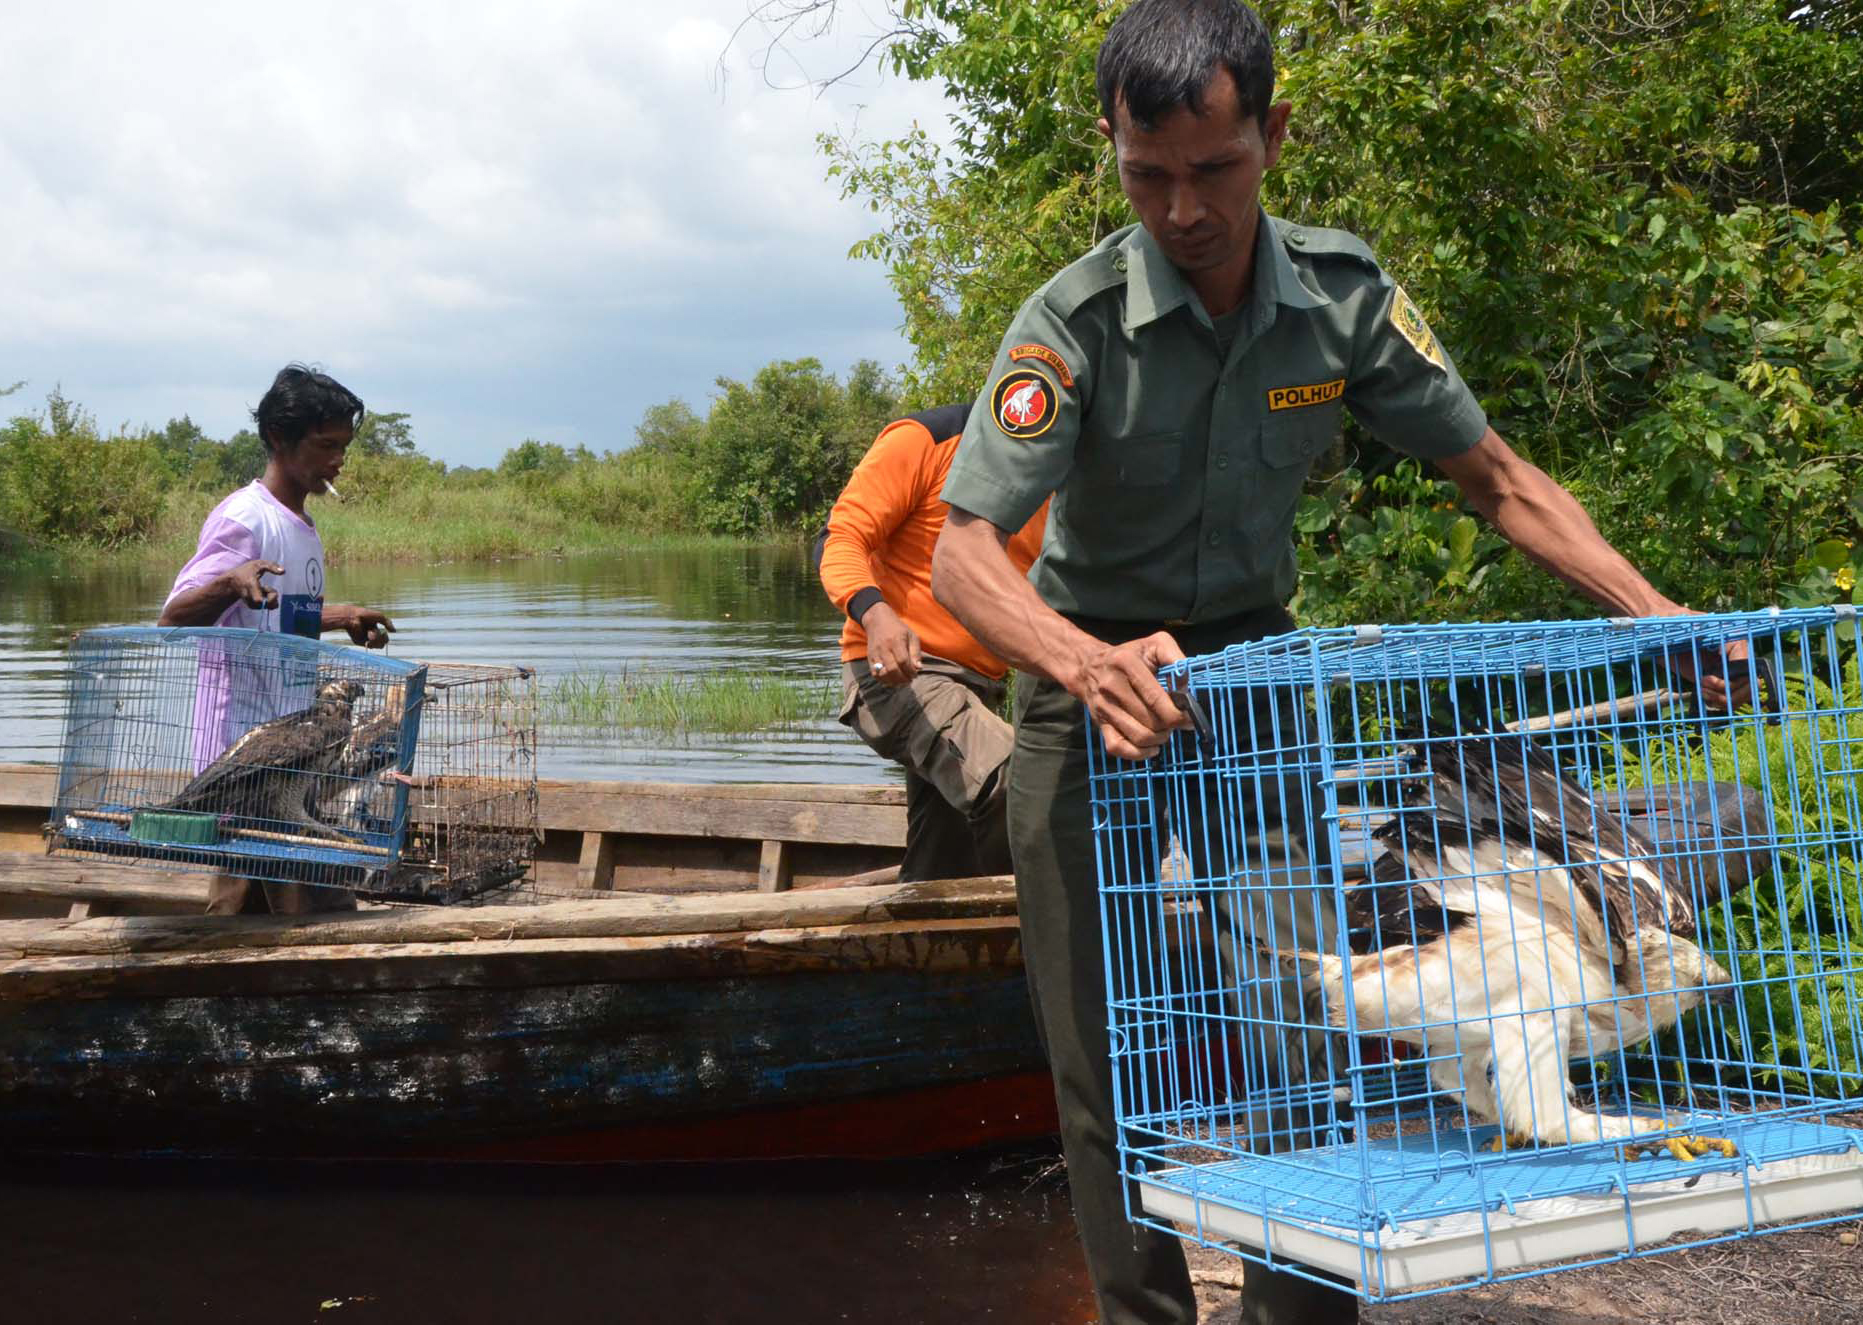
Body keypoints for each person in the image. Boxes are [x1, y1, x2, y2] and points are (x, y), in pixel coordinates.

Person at [929, 2, 1741, 1322]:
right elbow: (962, 557)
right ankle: (1141, 1312)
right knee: (1099, 1062)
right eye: (1147, 175)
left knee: (1306, 1020)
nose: (1180, 209)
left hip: (1255, 695)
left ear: (1271, 133)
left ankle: (1296, 1314)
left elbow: (1493, 478)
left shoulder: (1341, 300)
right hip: (1086, 702)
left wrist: (1649, 612)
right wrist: (1083, 664)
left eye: (1212, 170)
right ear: (1110, 146)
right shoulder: (1068, 320)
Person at [159, 364, 395, 916]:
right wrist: (226, 584)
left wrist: (345, 616)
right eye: (325, 445)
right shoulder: (245, 519)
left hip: (291, 752)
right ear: (278, 438)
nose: (338, 460)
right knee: (244, 914)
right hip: (241, 762)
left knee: (325, 907)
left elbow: (285, 621)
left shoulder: (302, 525)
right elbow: (173, 617)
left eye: (344, 447)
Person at [816, 404, 1047, 882]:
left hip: (980, 687)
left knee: (944, 859)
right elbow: (836, 540)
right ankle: (1044, 927)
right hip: (896, 674)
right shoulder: (927, 439)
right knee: (1015, 783)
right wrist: (876, 614)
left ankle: (918, 935)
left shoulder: (1054, 473)